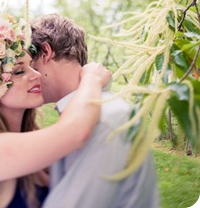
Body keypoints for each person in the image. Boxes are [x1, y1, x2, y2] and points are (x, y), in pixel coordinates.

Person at [0, 13, 111, 208]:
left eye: (32, 66)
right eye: (19, 71)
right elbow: (77, 131)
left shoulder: (34, 142)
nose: (36, 75)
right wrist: (91, 78)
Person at [31, 13, 160, 208]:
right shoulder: (91, 112)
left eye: (28, 63)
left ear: (45, 52)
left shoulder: (104, 120)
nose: (28, 73)